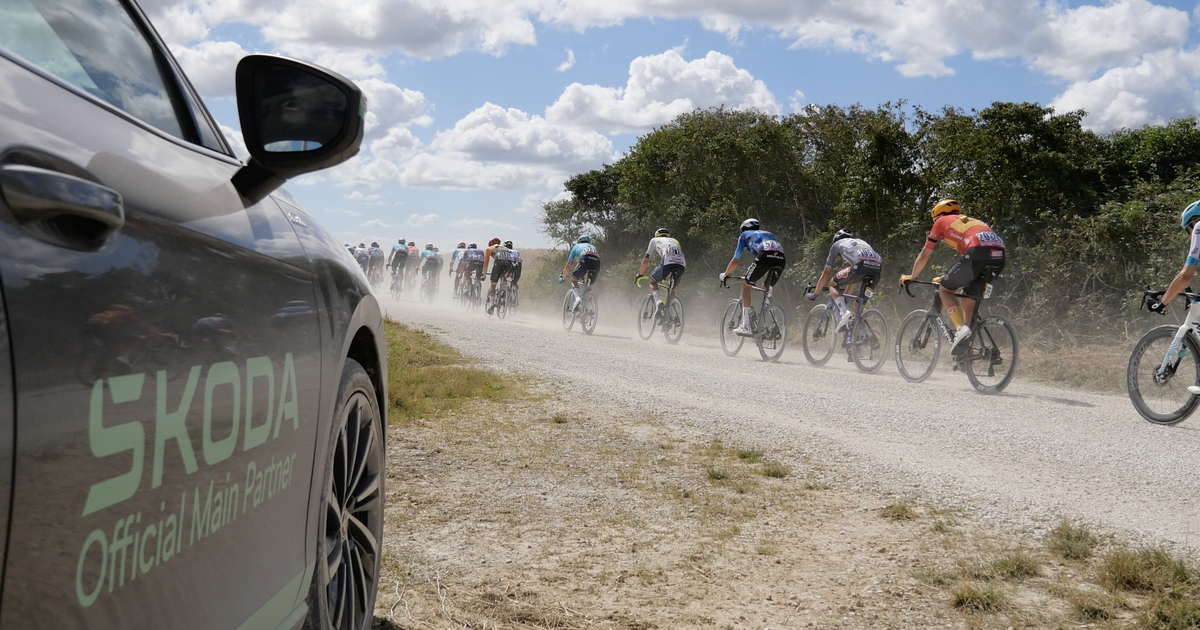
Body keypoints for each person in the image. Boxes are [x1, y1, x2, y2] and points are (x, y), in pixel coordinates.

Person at [900, 199, 1006, 353]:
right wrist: (947, 276)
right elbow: (967, 268)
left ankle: (960, 330)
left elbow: (924, 255)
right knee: (967, 296)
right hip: (999, 255)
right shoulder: (969, 222)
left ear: (937, 216)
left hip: (977, 252)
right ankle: (965, 342)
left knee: (945, 290)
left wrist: (912, 275)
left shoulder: (942, 221)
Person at [1148, 200, 1200, 393]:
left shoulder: (1199, 227)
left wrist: (1163, 302)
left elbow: (1185, 275)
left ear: (1192, 222)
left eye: (1187, 230)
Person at [806, 230, 882, 332]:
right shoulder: (861, 242)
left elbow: (826, 273)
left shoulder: (837, 244)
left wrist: (815, 294)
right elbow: (854, 280)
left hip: (860, 264)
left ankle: (843, 313)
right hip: (877, 268)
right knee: (858, 309)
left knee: (832, 284)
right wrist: (844, 298)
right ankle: (860, 341)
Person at [719, 219, 785, 337]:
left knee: (746, 286)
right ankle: (774, 324)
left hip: (765, 256)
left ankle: (746, 326)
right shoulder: (768, 234)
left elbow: (736, 260)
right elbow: (773, 253)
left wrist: (725, 274)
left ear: (744, 229)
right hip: (781, 259)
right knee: (766, 288)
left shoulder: (744, 235)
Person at [636, 228, 686, 316]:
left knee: (652, 281)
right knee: (672, 291)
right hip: (682, 263)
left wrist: (640, 274)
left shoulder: (654, 240)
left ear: (656, 235)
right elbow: (676, 257)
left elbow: (646, 260)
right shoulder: (675, 241)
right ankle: (673, 316)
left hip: (667, 260)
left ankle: (658, 302)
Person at [560, 236, 600, 312]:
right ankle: (588, 307)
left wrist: (563, 278)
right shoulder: (593, 247)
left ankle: (577, 298)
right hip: (597, 262)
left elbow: (568, 266)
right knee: (588, 284)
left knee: (573, 280)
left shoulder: (576, 247)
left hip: (585, 259)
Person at [484, 238, 514, 314]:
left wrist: (484, 275)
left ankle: (491, 306)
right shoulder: (505, 248)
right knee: (504, 278)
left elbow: (485, 264)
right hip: (509, 264)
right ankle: (504, 292)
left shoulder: (489, 249)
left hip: (498, 264)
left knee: (493, 285)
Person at [504, 240, 522, 306]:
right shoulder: (516, 251)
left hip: (509, 265)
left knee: (503, 278)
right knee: (514, 282)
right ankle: (516, 299)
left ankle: (504, 292)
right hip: (518, 266)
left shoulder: (504, 251)